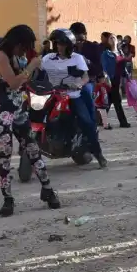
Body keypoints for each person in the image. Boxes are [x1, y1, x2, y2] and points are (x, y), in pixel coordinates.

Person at [0, 25, 57, 217]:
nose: (24, 51)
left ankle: (48, 189)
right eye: (23, 47)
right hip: (2, 112)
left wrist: (31, 67)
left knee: (33, 149)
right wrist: (32, 65)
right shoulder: (0, 56)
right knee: (5, 154)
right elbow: (14, 83)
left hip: (17, 110)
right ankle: (8, 199)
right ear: (16, 43)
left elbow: (22, 82)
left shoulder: (14, 57)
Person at [41, 29, 108, 168]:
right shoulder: (47, 59)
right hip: (52, 96)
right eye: (57, 43)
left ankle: (98, 153)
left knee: (87, 122)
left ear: (70, 45)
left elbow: (85, 76)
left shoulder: (77, 58)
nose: (59, 47)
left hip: (72, 96)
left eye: (63, 44)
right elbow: (38, 74)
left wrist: (78, 84)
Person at [69, 22, 101, 122]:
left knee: (86, 93)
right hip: (70, 81)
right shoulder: (68, 48)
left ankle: (92, 127)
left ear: (86, 34)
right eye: (76, 40)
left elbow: (99, 68)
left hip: (88, 81)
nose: (79, 43)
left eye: (81, 40)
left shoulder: (94, 47)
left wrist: (87, 62)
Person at [100, 35, 131, 128]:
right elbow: (104, 67)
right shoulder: (106, 53)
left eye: (114, 38)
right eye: (110, 38)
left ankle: (100, 120)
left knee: (109, 101)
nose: (113, 39)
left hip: (118, 79)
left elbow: (123, 65)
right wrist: (106, 78)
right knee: (117, 101)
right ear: (108, 41)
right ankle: (123, 122)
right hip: (111, 80)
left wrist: (127, 75)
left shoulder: (119, 52)